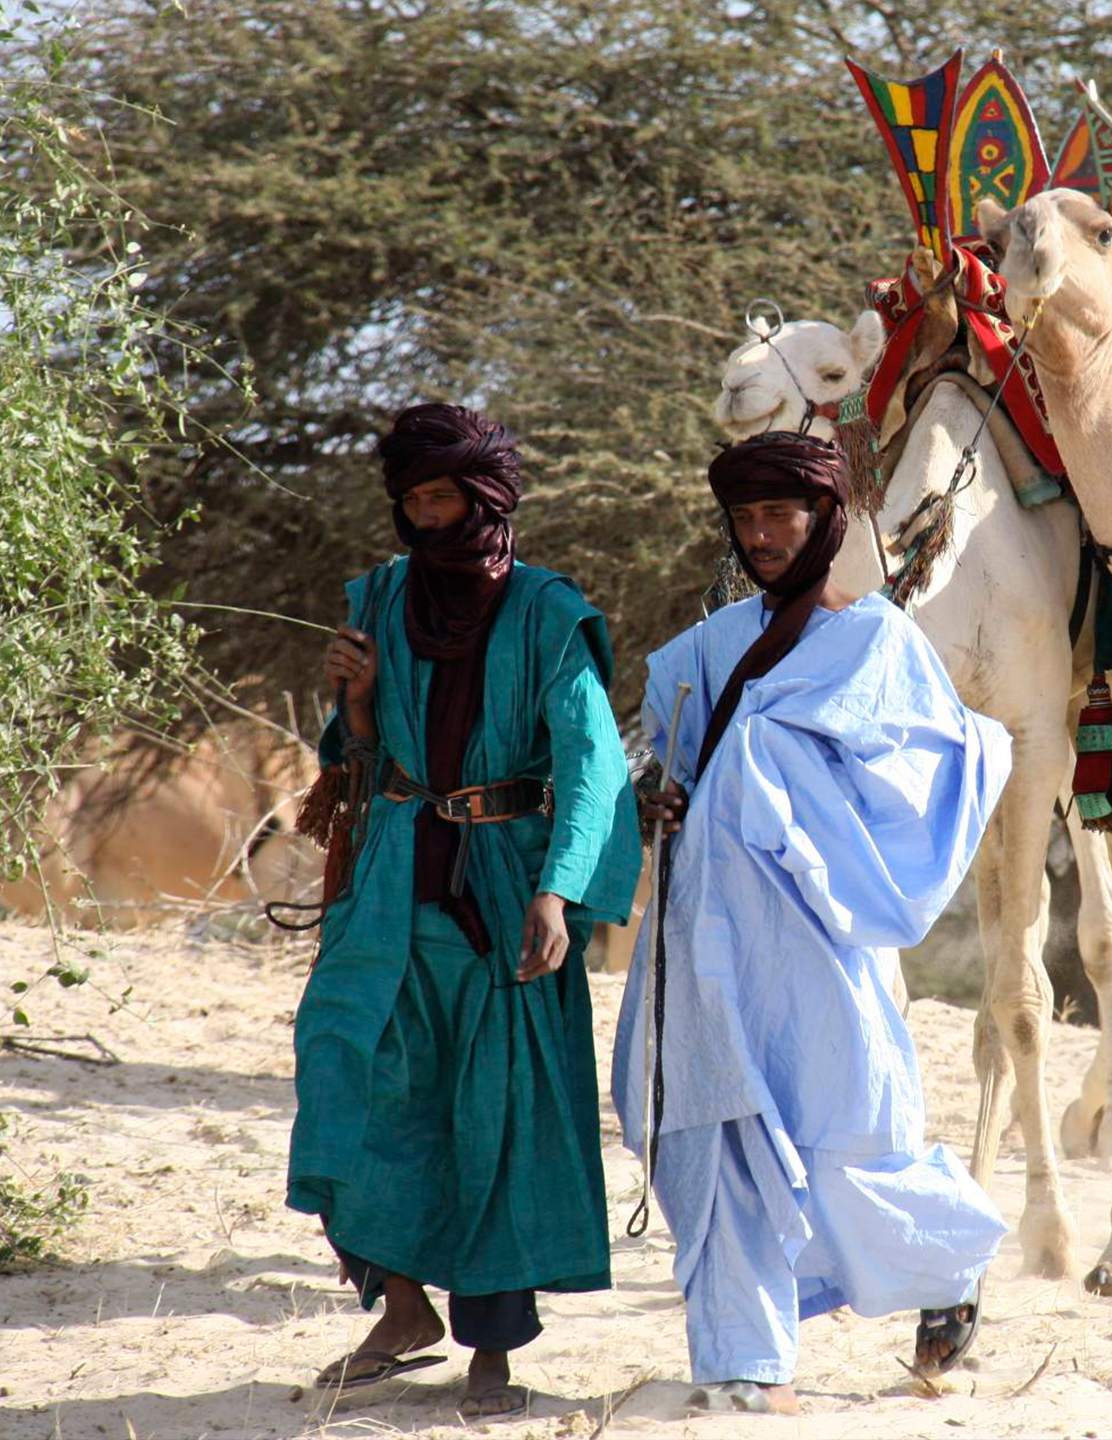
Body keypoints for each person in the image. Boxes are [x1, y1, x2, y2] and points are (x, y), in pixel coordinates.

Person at [610, 431, 1010, 1415]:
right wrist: (658, 798)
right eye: (745, 520)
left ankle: (944, 1269)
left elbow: (927, 782)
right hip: (700, 942)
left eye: (779, 516)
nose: (761, 535)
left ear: (824, 520)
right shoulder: (700, 651)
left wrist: (792, 797)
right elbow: (668, 769)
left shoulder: (879, 644)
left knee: (851, 1140)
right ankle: (748, 1365)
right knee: (704, 1136)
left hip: (817, 942)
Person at [288, 403, 641, 1420]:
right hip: (392, 893)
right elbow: (353, 765)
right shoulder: (380, 596)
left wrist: (558, 892)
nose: (424, 517)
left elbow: (589, 768)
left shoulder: (545, 612)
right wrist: (352, 711)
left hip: (503, 900)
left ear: (485, 498)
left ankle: (492, 1354)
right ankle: (402, 1306)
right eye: (411, 499)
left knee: (499, 1117)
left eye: (441, 496)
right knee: (349, 1073)